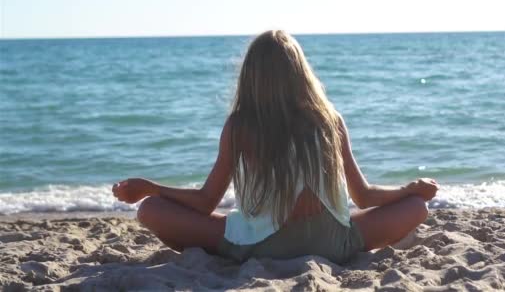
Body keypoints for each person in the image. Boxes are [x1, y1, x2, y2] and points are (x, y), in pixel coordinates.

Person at [112, 30, 439, 264]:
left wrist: (150, 188)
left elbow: (204, 201)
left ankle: (230, 244)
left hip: (260, 246)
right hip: (333, 243)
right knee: (416, 209)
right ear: (301, 73)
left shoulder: (240, 126)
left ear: (251, 77)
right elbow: (364, 196)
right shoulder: (329, 120)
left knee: (151, 210)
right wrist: (410, 189)